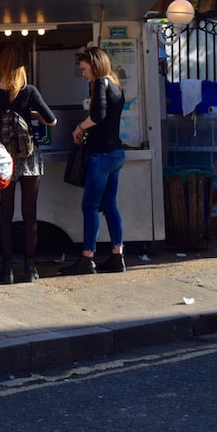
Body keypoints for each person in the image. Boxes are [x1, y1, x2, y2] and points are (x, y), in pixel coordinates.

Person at [0, 42, 56, 284]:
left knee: (5, 215)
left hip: (2, 159)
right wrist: (29, 114)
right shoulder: (30, 91)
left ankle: (7, 269)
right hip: (28, 158)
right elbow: (52, 120)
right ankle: (31, 269)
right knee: (30, 215)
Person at [62, 46, 126, 276]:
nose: (83, 74)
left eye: (84, 68)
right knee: (109, 205)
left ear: (94, 65)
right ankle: (117, 255)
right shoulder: (116, 84)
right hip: (117, 153)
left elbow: (98, 116)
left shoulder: (100, 83)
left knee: (89, 206)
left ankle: (87, 258)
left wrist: (79, 127)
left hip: (102, 155)